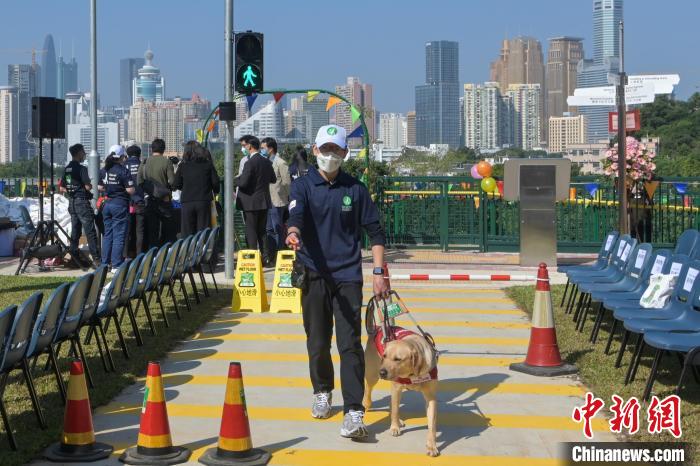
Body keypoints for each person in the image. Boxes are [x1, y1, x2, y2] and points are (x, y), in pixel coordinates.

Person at [286, 124, 388, 439]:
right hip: (313, 273)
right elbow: (295, 216)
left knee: (349, 346)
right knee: (317, 343)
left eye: (336, 150)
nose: (330, 155)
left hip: (347, 276)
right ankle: (322, 391)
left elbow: (376, 232)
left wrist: (379, 272)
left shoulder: (355, 189)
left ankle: (354, 412)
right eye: (325, 149)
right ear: (315, 150)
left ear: (345, 153)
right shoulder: (302, 186)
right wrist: (293, 232)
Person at [60, 143, 101, 268]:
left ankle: (74, 259)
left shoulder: (67, 169)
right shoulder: (81, 168)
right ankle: (97, 260)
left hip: (72, 202)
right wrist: (85, 187)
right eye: (83, 152)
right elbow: (88, 186)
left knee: (75, 232)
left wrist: (73, 190)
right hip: (82, 202)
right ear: (78, 153)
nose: (84, 154)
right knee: (90, 231)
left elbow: (62, 188)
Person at [234, 135, 276, 252]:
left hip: (250, 202)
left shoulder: (249, 163)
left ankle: (253, 257)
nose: (243, 148)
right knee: (262, 230)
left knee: (251, 230)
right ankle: (265, 256)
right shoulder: (266, 162)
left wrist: (235, 180)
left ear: (250, 146)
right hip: (263, 201)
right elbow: (273, 179)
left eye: (243, 145)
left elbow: (243, 183)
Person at [99, 145, 135, 272]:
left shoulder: (104, 170)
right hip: (119, 204)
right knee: (119, 235)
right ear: (121, 157)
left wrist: (110, 188)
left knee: (108, 235)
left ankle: (105, 263)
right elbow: (130, 190)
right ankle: (116, 264)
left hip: (107, 204)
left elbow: (100, 187)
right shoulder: (123, 170)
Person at [174, 141, 220, 236]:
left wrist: (186, 187)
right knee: (203, 231)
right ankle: (202, 249)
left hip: (187, 201)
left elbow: (176, 184)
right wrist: (215, 191)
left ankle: (189, 250)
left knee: (187, 232)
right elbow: (216, 183)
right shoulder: (207, 165)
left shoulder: (182, 166)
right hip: (203, 200)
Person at [138, 138, 175, 248]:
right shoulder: (167, 162)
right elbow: (172, 181)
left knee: (152, 231)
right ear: (163, 149)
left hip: (150, 200)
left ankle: (153, 254)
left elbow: (139, 181)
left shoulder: (144, 162)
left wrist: (149, 190)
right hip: (164, 200)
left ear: (152, 149)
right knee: (168, 230)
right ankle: (166, 253)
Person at [261, 137, 290, 266]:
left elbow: (287, 183)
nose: (262, 150)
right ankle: (271, 255)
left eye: (263, 148)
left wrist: (285, 198)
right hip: (266, 200)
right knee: (268, 229)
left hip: (277, 201)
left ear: (271, 148)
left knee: (277, 228)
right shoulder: (264, 161)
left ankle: (279, 254)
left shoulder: (280, 163)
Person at [124, 145, 146, 257]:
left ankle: (126, 255)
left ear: (127, 155)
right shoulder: (142, 165)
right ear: (139, 154)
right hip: (140, 202)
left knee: (127, 230)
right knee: (140, 231)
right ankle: (139, 255)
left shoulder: (123, 166)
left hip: (126, 203)